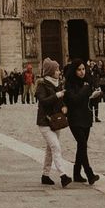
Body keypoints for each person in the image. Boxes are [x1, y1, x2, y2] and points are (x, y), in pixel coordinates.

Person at [35, 58, 73, 188]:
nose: (59, 71)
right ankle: (63, 175)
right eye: (56, 69)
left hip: (55, 121)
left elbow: (60, 102)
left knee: (50, 149)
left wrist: (64, 107)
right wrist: (57, 95)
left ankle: (45, 175)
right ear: (51, 72)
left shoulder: (58, 84)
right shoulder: (42, 85)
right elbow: (43, 101)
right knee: (56, 147)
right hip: (44, 122)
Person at [63, 59, 101, 184]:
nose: (82, 72)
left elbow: (89, 101)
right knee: (83, 144)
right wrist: (85, 90)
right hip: (74, 119)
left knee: (81, 146)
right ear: (74, 71)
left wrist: (95, 96)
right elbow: (74, 100)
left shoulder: (88, 82)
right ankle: (89, 174)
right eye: (79, 69)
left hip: (86, 117)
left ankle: (76, 173)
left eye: (83, 69)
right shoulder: (69, 84)